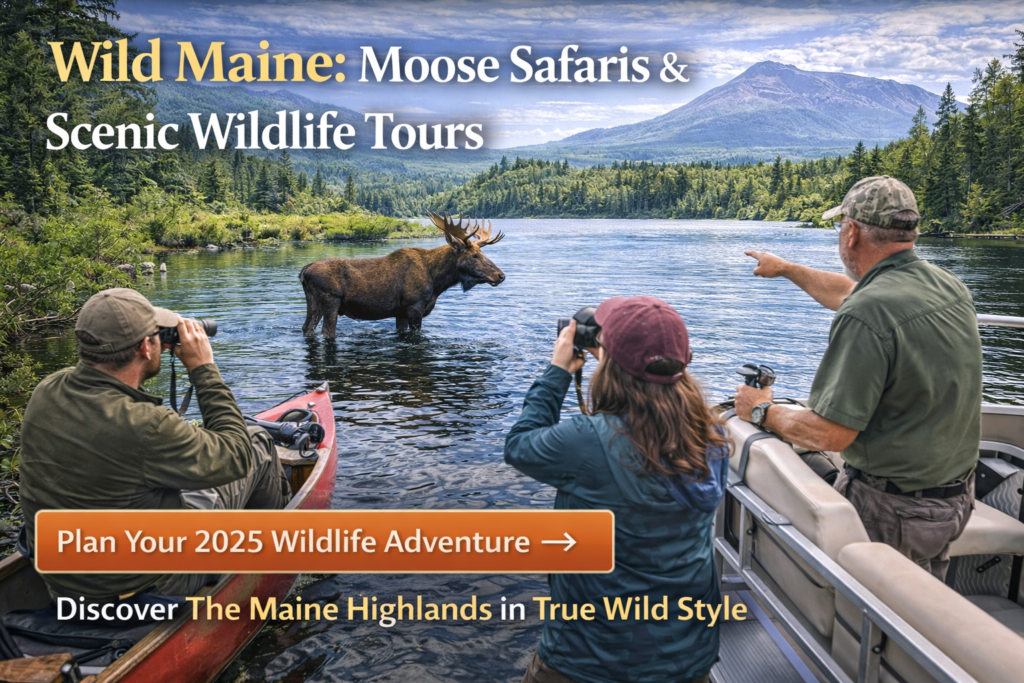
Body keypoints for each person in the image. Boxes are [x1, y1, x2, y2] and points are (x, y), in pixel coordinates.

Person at [736, 175, 982, 581]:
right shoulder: (946, 285)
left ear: (851, 233)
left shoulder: (868, 313)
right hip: (953, 500)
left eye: (840, 226)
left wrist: (762, 411)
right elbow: (848, 293)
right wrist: (786, 269)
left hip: (895, 512)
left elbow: (830, 435)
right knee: (921, 598)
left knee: (878, 622)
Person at [505, 296, 730, 683]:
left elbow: (520, 445)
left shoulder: (588, 441)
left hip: (588, 661)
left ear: (608, 361)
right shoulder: (710, 435)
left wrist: (558, 370)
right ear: (684, 359)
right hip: (686, 660)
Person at [19, 288, 291, 603]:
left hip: (62, 582)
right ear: (146, 348)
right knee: (255, 441)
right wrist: (203, 368)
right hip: (146, 590)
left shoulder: (47, 390)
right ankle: (270, 561)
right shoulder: (146, 424)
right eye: (156, 334)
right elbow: (237, 456)